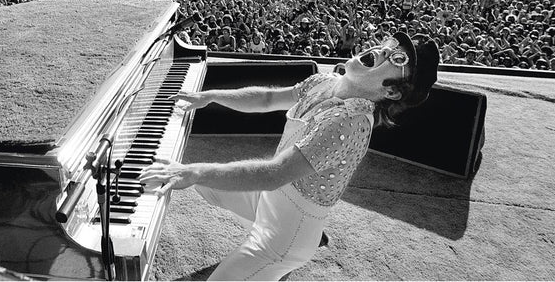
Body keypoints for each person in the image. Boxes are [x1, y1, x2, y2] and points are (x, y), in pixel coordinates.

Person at [139, 32, 440, 280]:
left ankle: (297, 247)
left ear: (393, 93)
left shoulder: (348, 122)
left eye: (397, 59)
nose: (383, 51)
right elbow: (268, 98)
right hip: (270, 201)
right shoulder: (325, 82)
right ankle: (302, 239)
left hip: (286, 235)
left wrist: (192, 171)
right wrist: (213, 96)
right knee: (205, 183)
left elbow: (273, 174)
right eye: (388, 44)